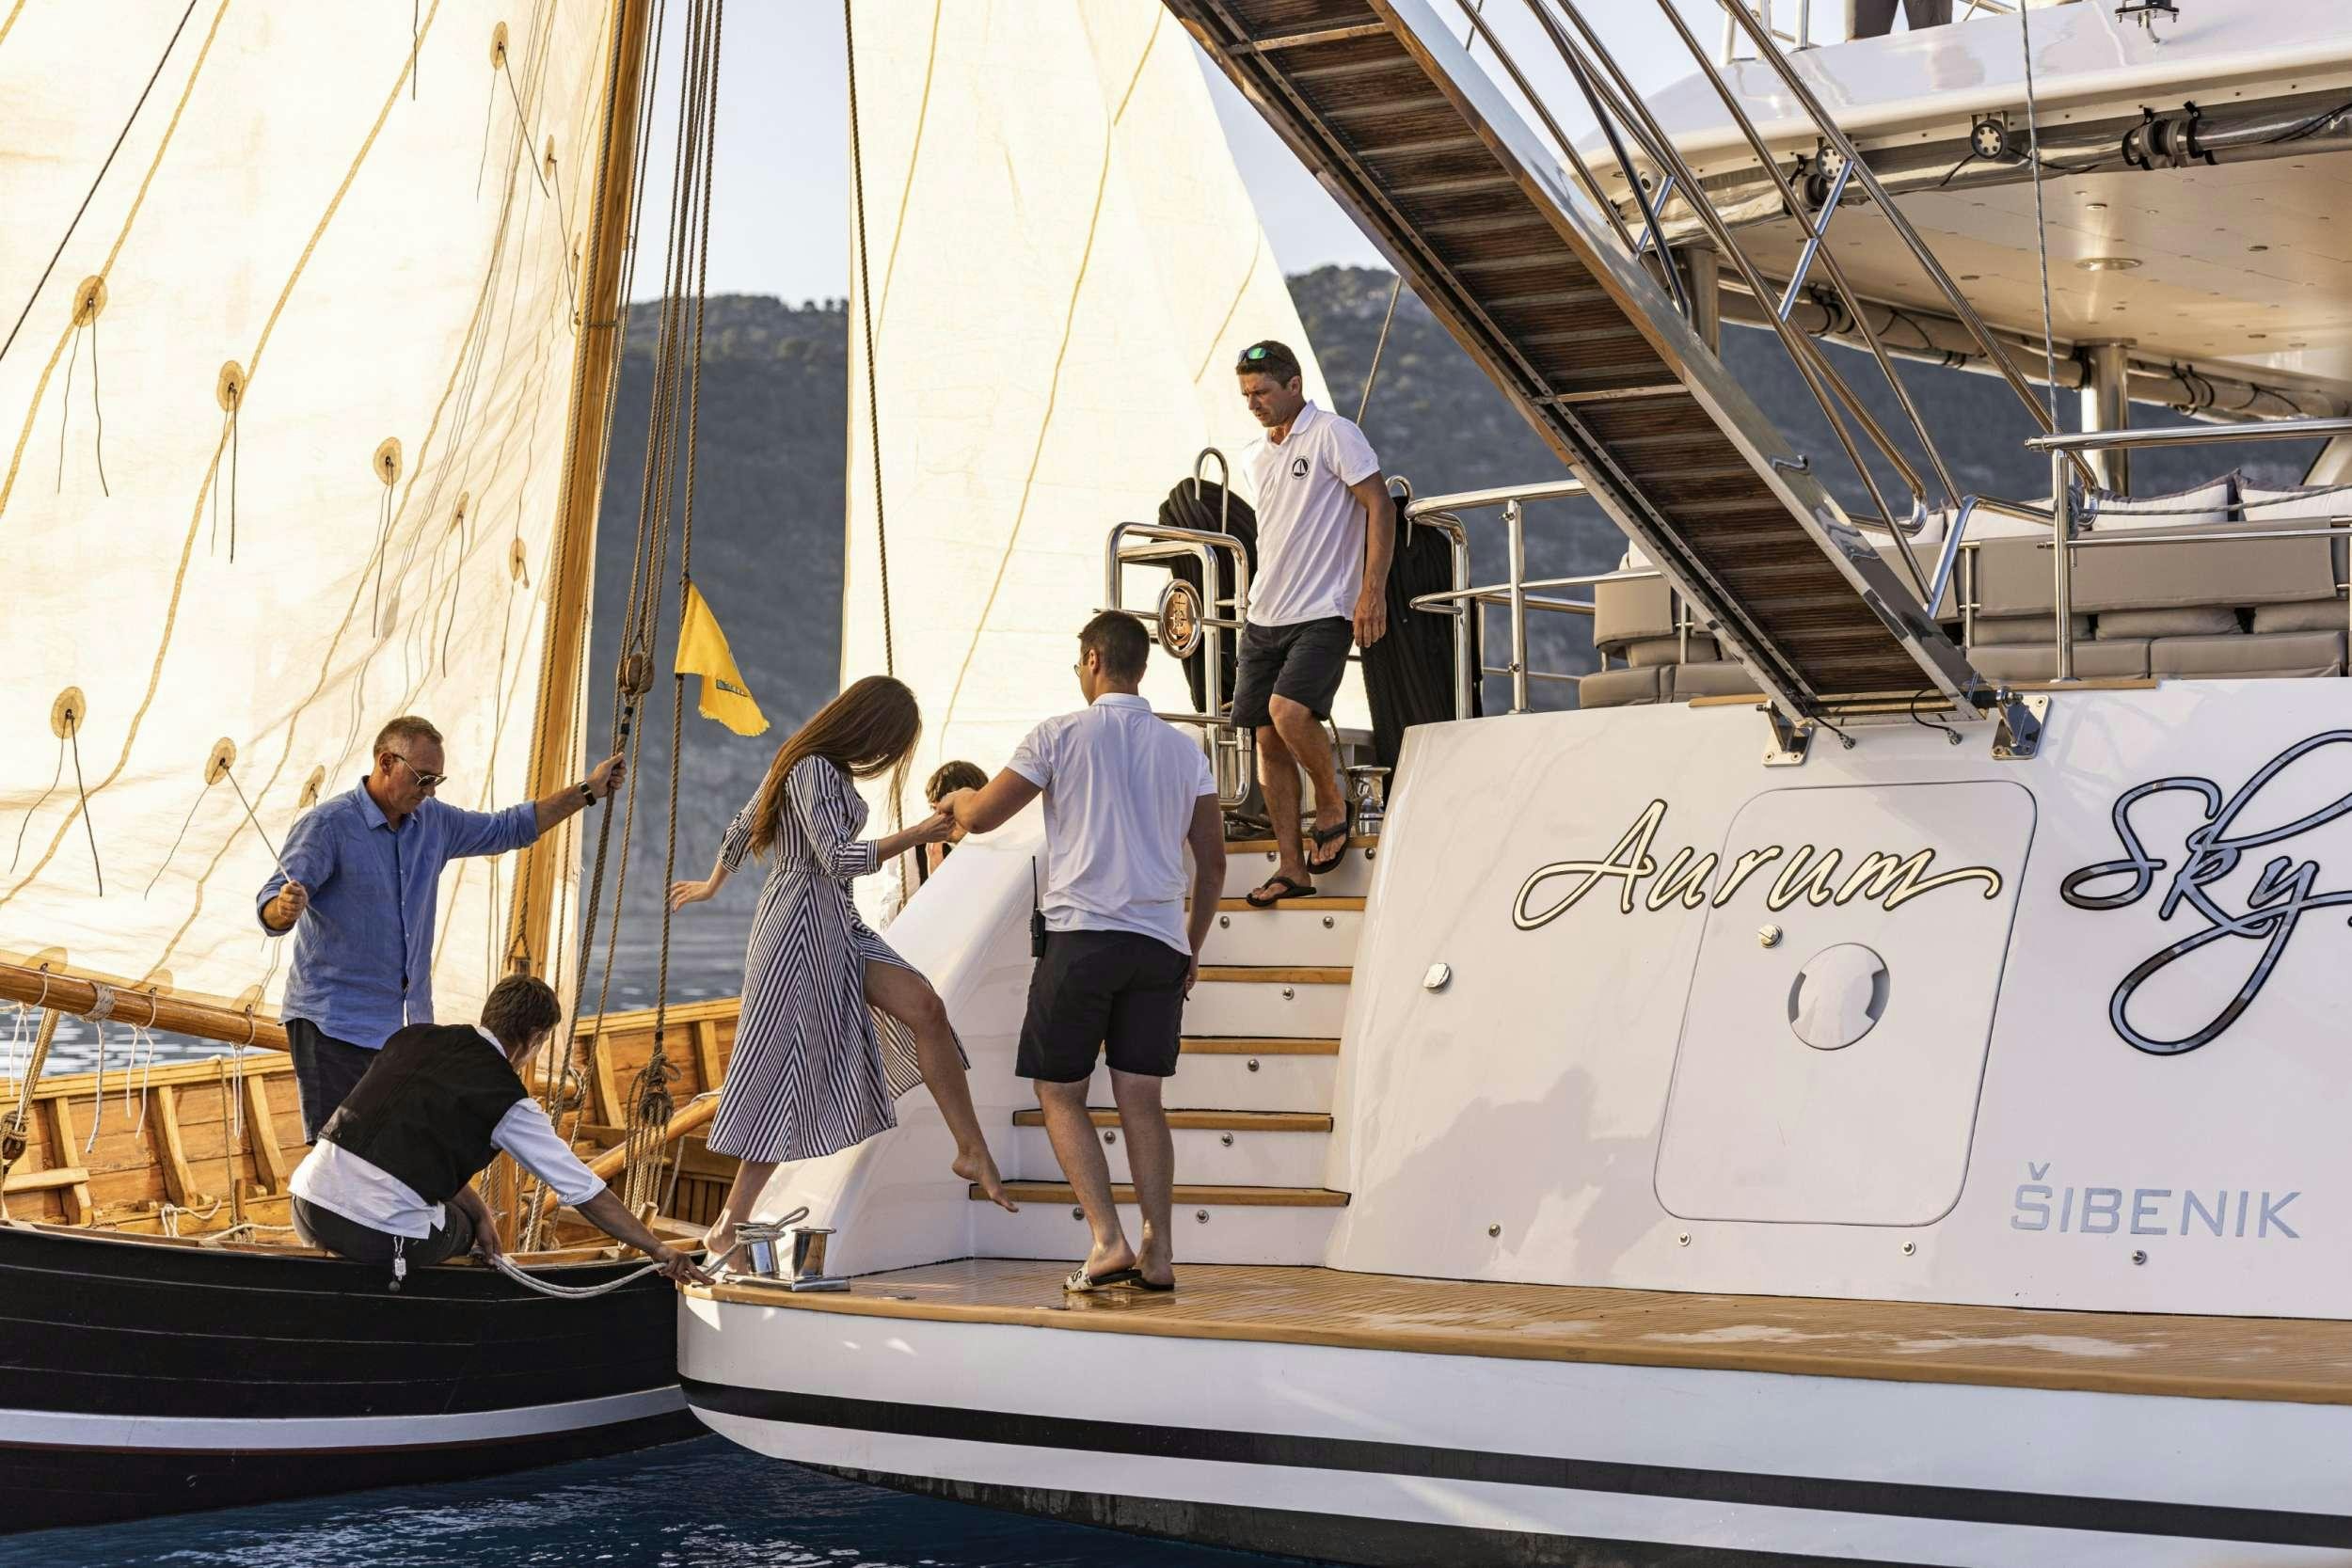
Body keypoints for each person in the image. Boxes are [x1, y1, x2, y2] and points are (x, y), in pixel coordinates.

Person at [667, 675, 1016, 1262]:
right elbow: (839, 858)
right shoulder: (811, 769)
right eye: (891, 741)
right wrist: (923, 832)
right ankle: (730, 1224)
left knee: (925, 1008)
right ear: (869, 726)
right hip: (798, 931)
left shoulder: (815, 767)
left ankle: (969, 1146)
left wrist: (711, 884)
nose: (886, 756)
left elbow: (741, 827)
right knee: (787, 1074)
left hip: (836, 922)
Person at [936, 612, 1225, 1293]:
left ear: (1093, 660)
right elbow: (1211, 863)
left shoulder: (1059, 734)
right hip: (1158, 945)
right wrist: (1193, 944)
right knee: (1142, 1098)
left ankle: (1107, 1239)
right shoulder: (1186, 751)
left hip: (1083, 939)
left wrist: (956, 797)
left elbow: (980, 817)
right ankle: (1158, 1253)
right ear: (1141, 668)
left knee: (1060, 1090)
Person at [257, 716, 624, 1140]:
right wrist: (284, 909)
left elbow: (509, 828)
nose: (430, 791)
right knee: (336, 1154)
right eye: (423, 778)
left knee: (397, 1149)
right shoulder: (328, 825)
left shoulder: (433, 821)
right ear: (386, 762)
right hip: (332, 1024)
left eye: (437, 780)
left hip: (404, 1028)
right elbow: (270, 904)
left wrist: (587, 791)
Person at [286, 974, 712, 1286]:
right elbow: (583, 1189)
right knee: (463, 1230)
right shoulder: (509, 1100)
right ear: (534, 1039)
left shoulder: (411, 1039)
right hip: (374, 1233)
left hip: (306, 1205)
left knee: (466, 1214)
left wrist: (482, 1209)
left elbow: (406, 1146)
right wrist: (656, 1248)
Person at [1230, 339, 1391, 909]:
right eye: (1247, 394)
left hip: (1324, 610)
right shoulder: (1255, 455)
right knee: (1266, 740)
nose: (1254, 403)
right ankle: (1291, 867)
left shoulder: (1334, 434)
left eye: (1263, 392)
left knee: (1287, 712)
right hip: (1264, 613)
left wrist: (1372, 591)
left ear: (1294, 385)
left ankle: (1332, 799)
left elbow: (1379, 505)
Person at [915, 760, 988, 885]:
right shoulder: (916, 852)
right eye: (935, 809)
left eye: (951, 808)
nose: (941, 818)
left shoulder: (1004, 846)